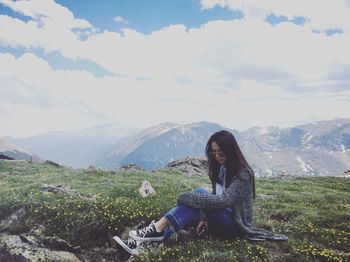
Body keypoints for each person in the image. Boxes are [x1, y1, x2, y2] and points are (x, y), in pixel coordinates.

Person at [113, 130, 288, 255]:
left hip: (236, 226)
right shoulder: (221, 169)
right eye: (214, 152)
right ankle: (139, 244)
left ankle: (154, 230)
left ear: (230, 151)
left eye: (221, 152)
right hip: (222, 217)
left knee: (195, 197)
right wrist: (204, 217)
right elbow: (212, 199)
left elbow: (222, 201)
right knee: (197, 198)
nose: (218, 156)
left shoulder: (243, 174)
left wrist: (184, 197)